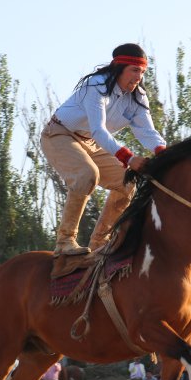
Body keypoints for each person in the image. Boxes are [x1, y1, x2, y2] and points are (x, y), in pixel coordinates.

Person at [41, 43, 166, 257]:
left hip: (90, 143)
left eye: (142, 72)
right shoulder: (96, 86)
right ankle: (65, 241)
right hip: (59, 134)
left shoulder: (138, 97)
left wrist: (165, 154)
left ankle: (100, 243)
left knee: (127, 183)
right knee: (87, 175)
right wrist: (129, 158)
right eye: (134, 70)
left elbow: (147, 132)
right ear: (119, 67)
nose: (138, 77)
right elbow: (99, 130)